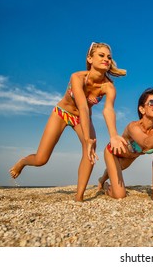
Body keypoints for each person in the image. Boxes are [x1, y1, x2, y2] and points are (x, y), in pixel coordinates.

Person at [9, 42, 128, 201]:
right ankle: (23, 161)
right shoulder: (77, 77)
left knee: (90, 150)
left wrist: (113, 135)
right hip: (62, 113)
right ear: (90, 58)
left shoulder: (109, 86)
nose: (106, 59)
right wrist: (87, 138)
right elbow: (83, 107)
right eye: (101, 55)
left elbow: (108, 110)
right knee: (41, 159)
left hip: (81, 119)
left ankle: (79, 196)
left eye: (109, 57)